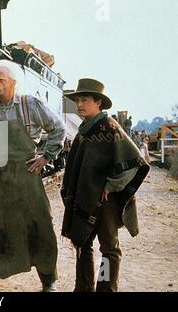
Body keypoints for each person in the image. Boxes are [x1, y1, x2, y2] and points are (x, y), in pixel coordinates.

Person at [0, 60, 66, 292]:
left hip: (27, 175)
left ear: (13, 83)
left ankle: (48, 280)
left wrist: (46, 157)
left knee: (40, 224)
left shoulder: (30, 105)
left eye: (0, 80)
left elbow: (58, 128)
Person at [61, 78, 150, 292]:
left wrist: (111, 187)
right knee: (82, 244)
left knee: (109, 249)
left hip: (106, 201)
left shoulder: (109, 127)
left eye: (85, 100)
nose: (79, 105)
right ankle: (83, 288)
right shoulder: (84, 130)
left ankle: (105, 288)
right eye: (78, 100)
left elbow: (134, 162)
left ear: (98, 102)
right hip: (86, 198)